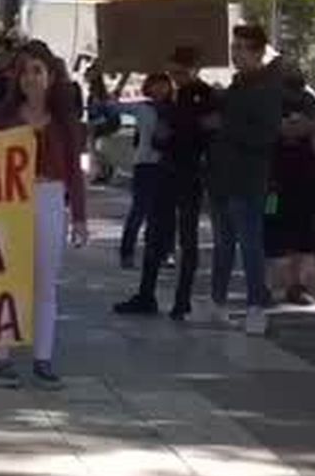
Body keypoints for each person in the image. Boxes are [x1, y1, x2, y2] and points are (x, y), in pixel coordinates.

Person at [0, 41, 87, 389]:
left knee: (45, 282)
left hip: (50, 198)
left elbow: (75, 174)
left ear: (51, 76)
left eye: (37, 70)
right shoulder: (0, 120)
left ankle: (43, 358)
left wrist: (79, 217)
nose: (30, 78)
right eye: (24, 71)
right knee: (2, 280)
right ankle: (2, 357)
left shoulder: (66, 124)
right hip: (7, 202)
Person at [121, 47, 216, 320]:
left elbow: (205, 131)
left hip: (191, 171)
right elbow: (161, 137)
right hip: (168, 168)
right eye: (173, 73)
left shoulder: (206, 96)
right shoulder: (174, 98)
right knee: (156, 232)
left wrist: (181, 131)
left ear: (194, 70)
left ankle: (182, 299)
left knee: (187, 238)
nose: (177, 78)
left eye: (181, 73)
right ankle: (146, 294)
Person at [207, 24, 285, 335]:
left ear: (257, 52)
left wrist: (224, 126)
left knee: (250, 244)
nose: (234, 52)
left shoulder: (267, 89)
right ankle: (217, 301)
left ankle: (255, 307)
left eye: (241, 47)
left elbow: (265, 135)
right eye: (234, 45)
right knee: (224, 243)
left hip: (248, 179)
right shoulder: (238, 85)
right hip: (222, 177)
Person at [264, 69, 315, 307]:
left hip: (305, 184)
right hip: (275, 184)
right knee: (271, 230)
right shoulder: (271, 105)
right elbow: (285, 130)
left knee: (305, 236)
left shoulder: (309, 103)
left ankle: (295, 285)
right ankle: (269, 285)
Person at [113, 72, 174, 271]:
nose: (160, 89)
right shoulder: (142, 108)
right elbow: (114, 105)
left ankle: (163, 252)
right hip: (145, 164)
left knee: (165, 212)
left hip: (167, 164)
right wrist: (118, 84)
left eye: (163, 85)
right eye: (156, 85)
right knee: (139, 210)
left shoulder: (175, 109)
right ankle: (127, 252)